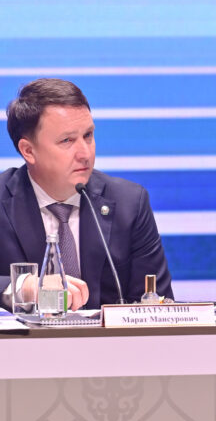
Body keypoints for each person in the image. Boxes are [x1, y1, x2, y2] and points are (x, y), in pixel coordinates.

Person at [0, 78, 172, 310]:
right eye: (67, 140)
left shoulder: (130, 202)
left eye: (88, 135)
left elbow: (158, 304)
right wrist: (22, 286)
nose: (85, 153)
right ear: (28, 151)